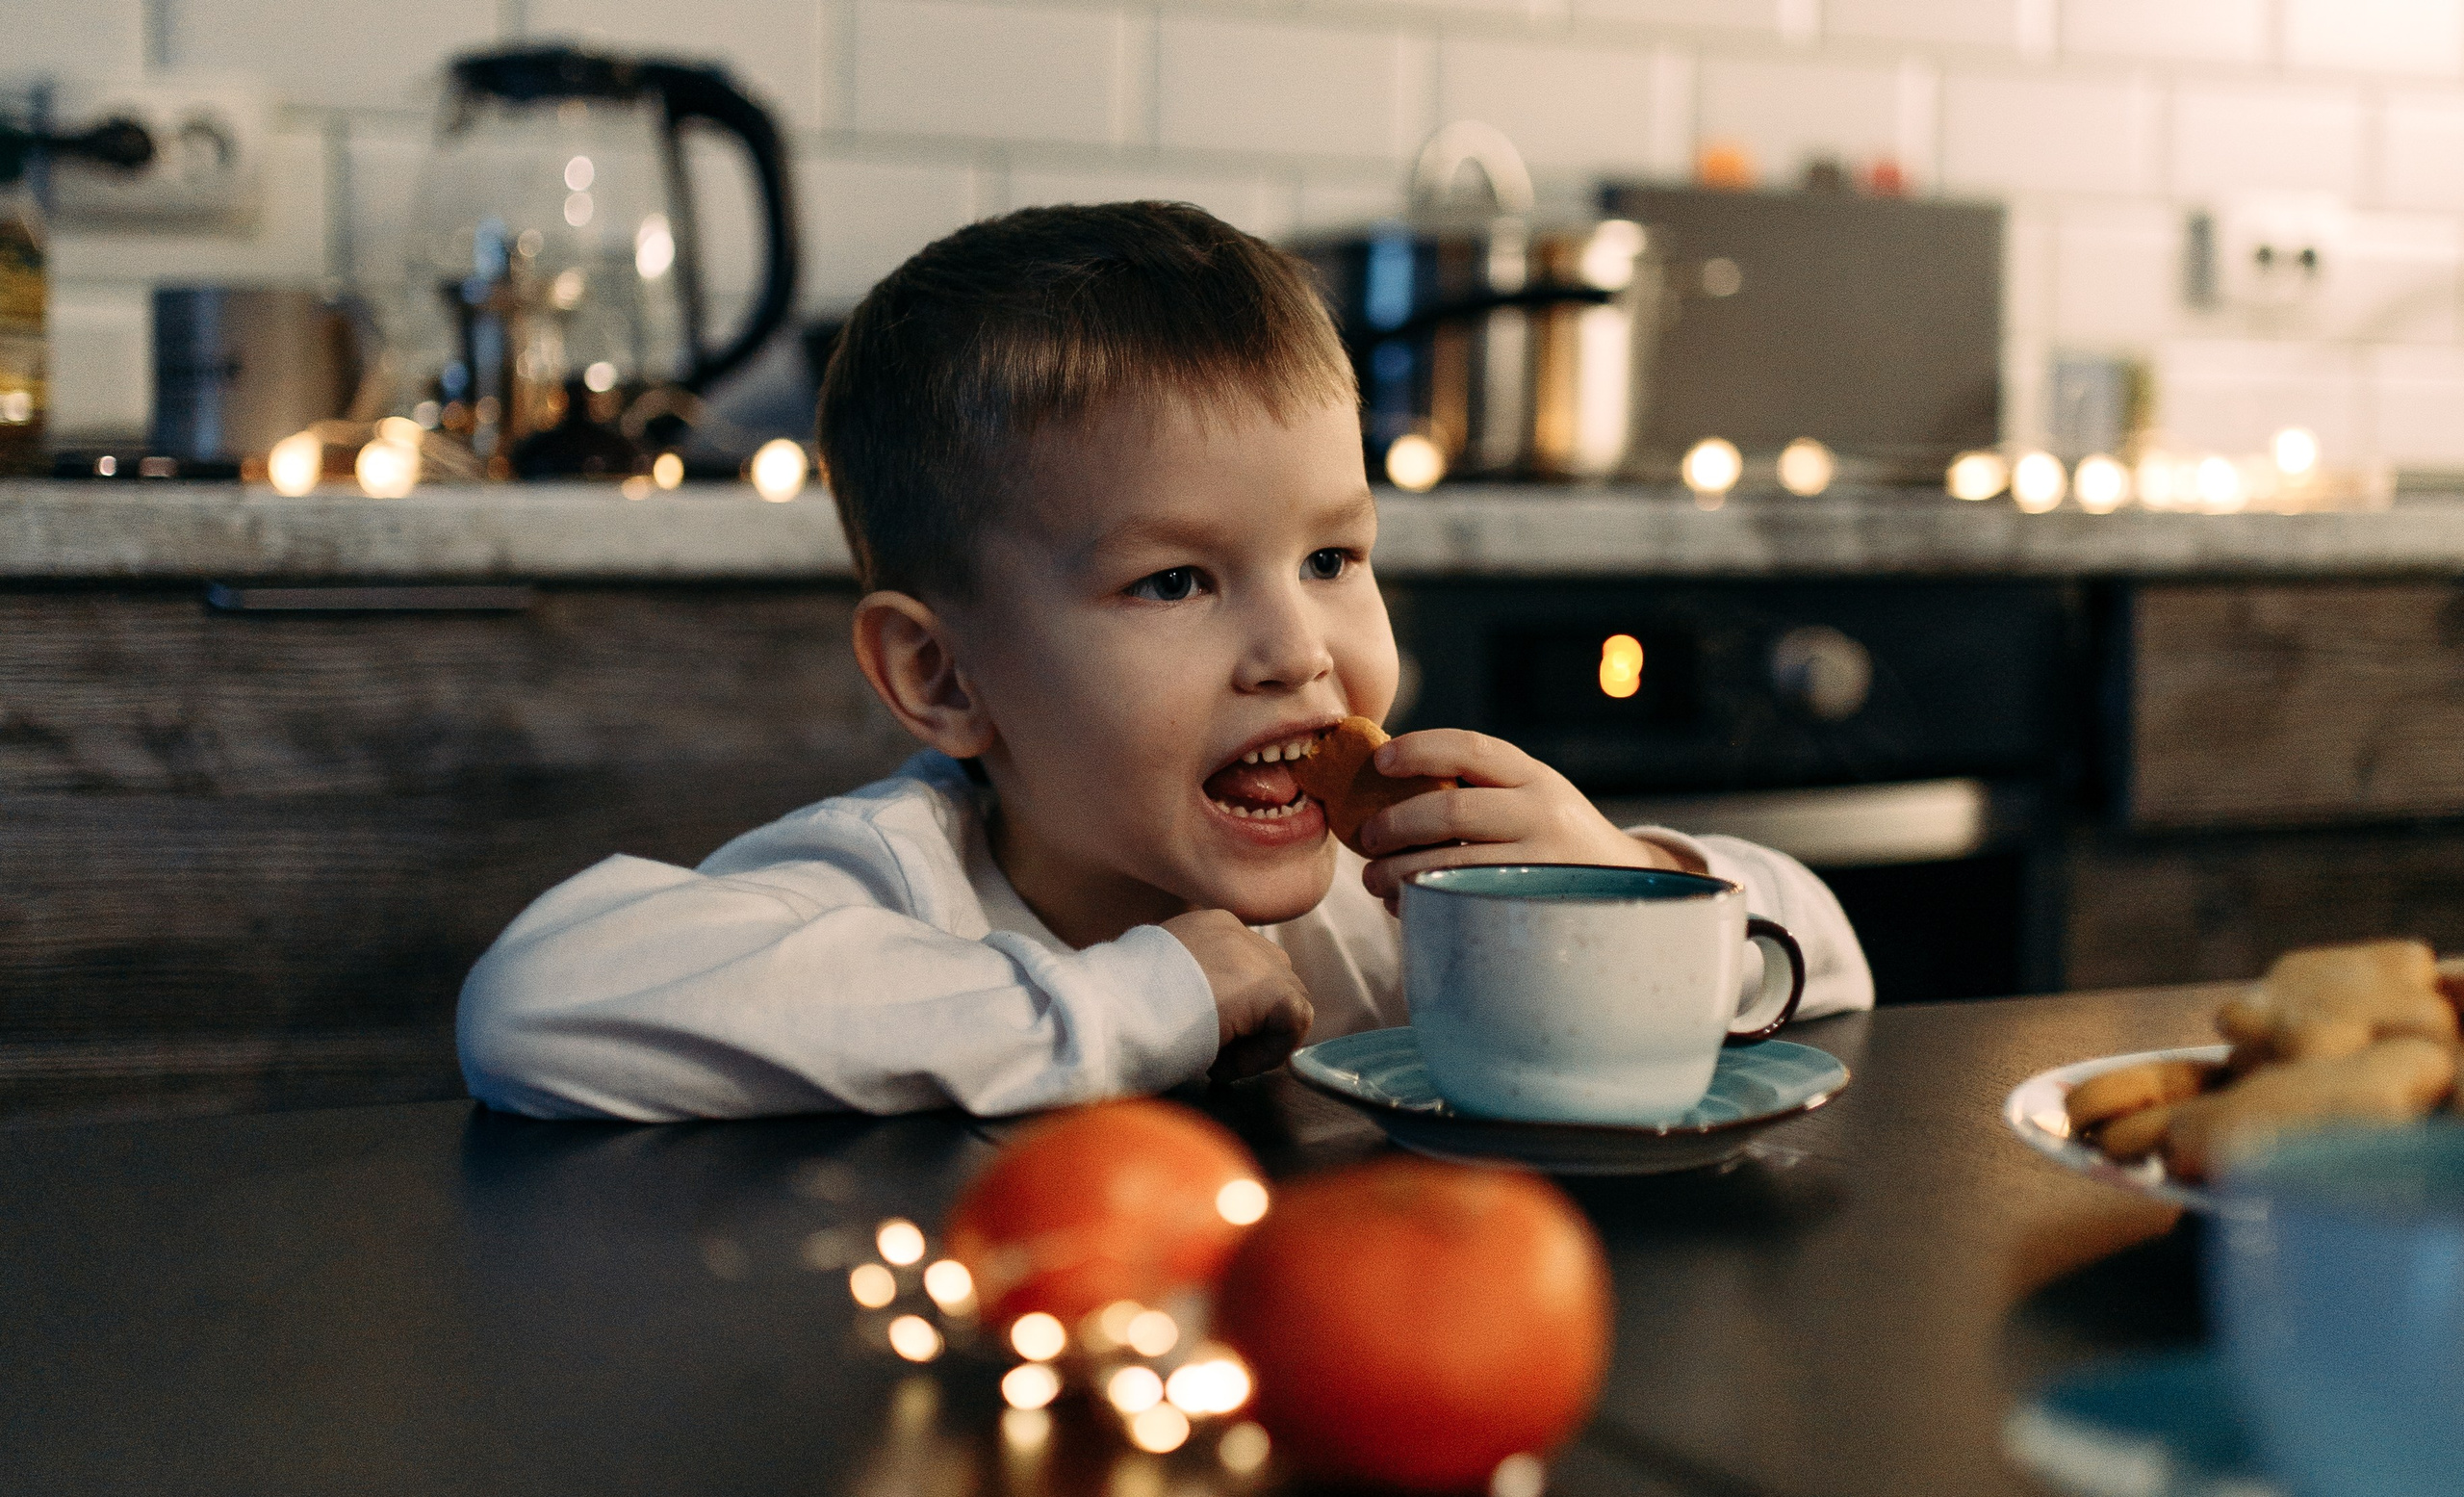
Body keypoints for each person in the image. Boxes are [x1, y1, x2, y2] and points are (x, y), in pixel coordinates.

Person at [457, 202, 1871, 1122]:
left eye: (1334, 558)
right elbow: (535, 1006)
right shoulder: (900, 888)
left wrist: (1624, 894)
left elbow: (1829, 951)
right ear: (941, 679)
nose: (1298, 651)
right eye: (1176, 581)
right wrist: (1137, 1001)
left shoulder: (1387, 918)